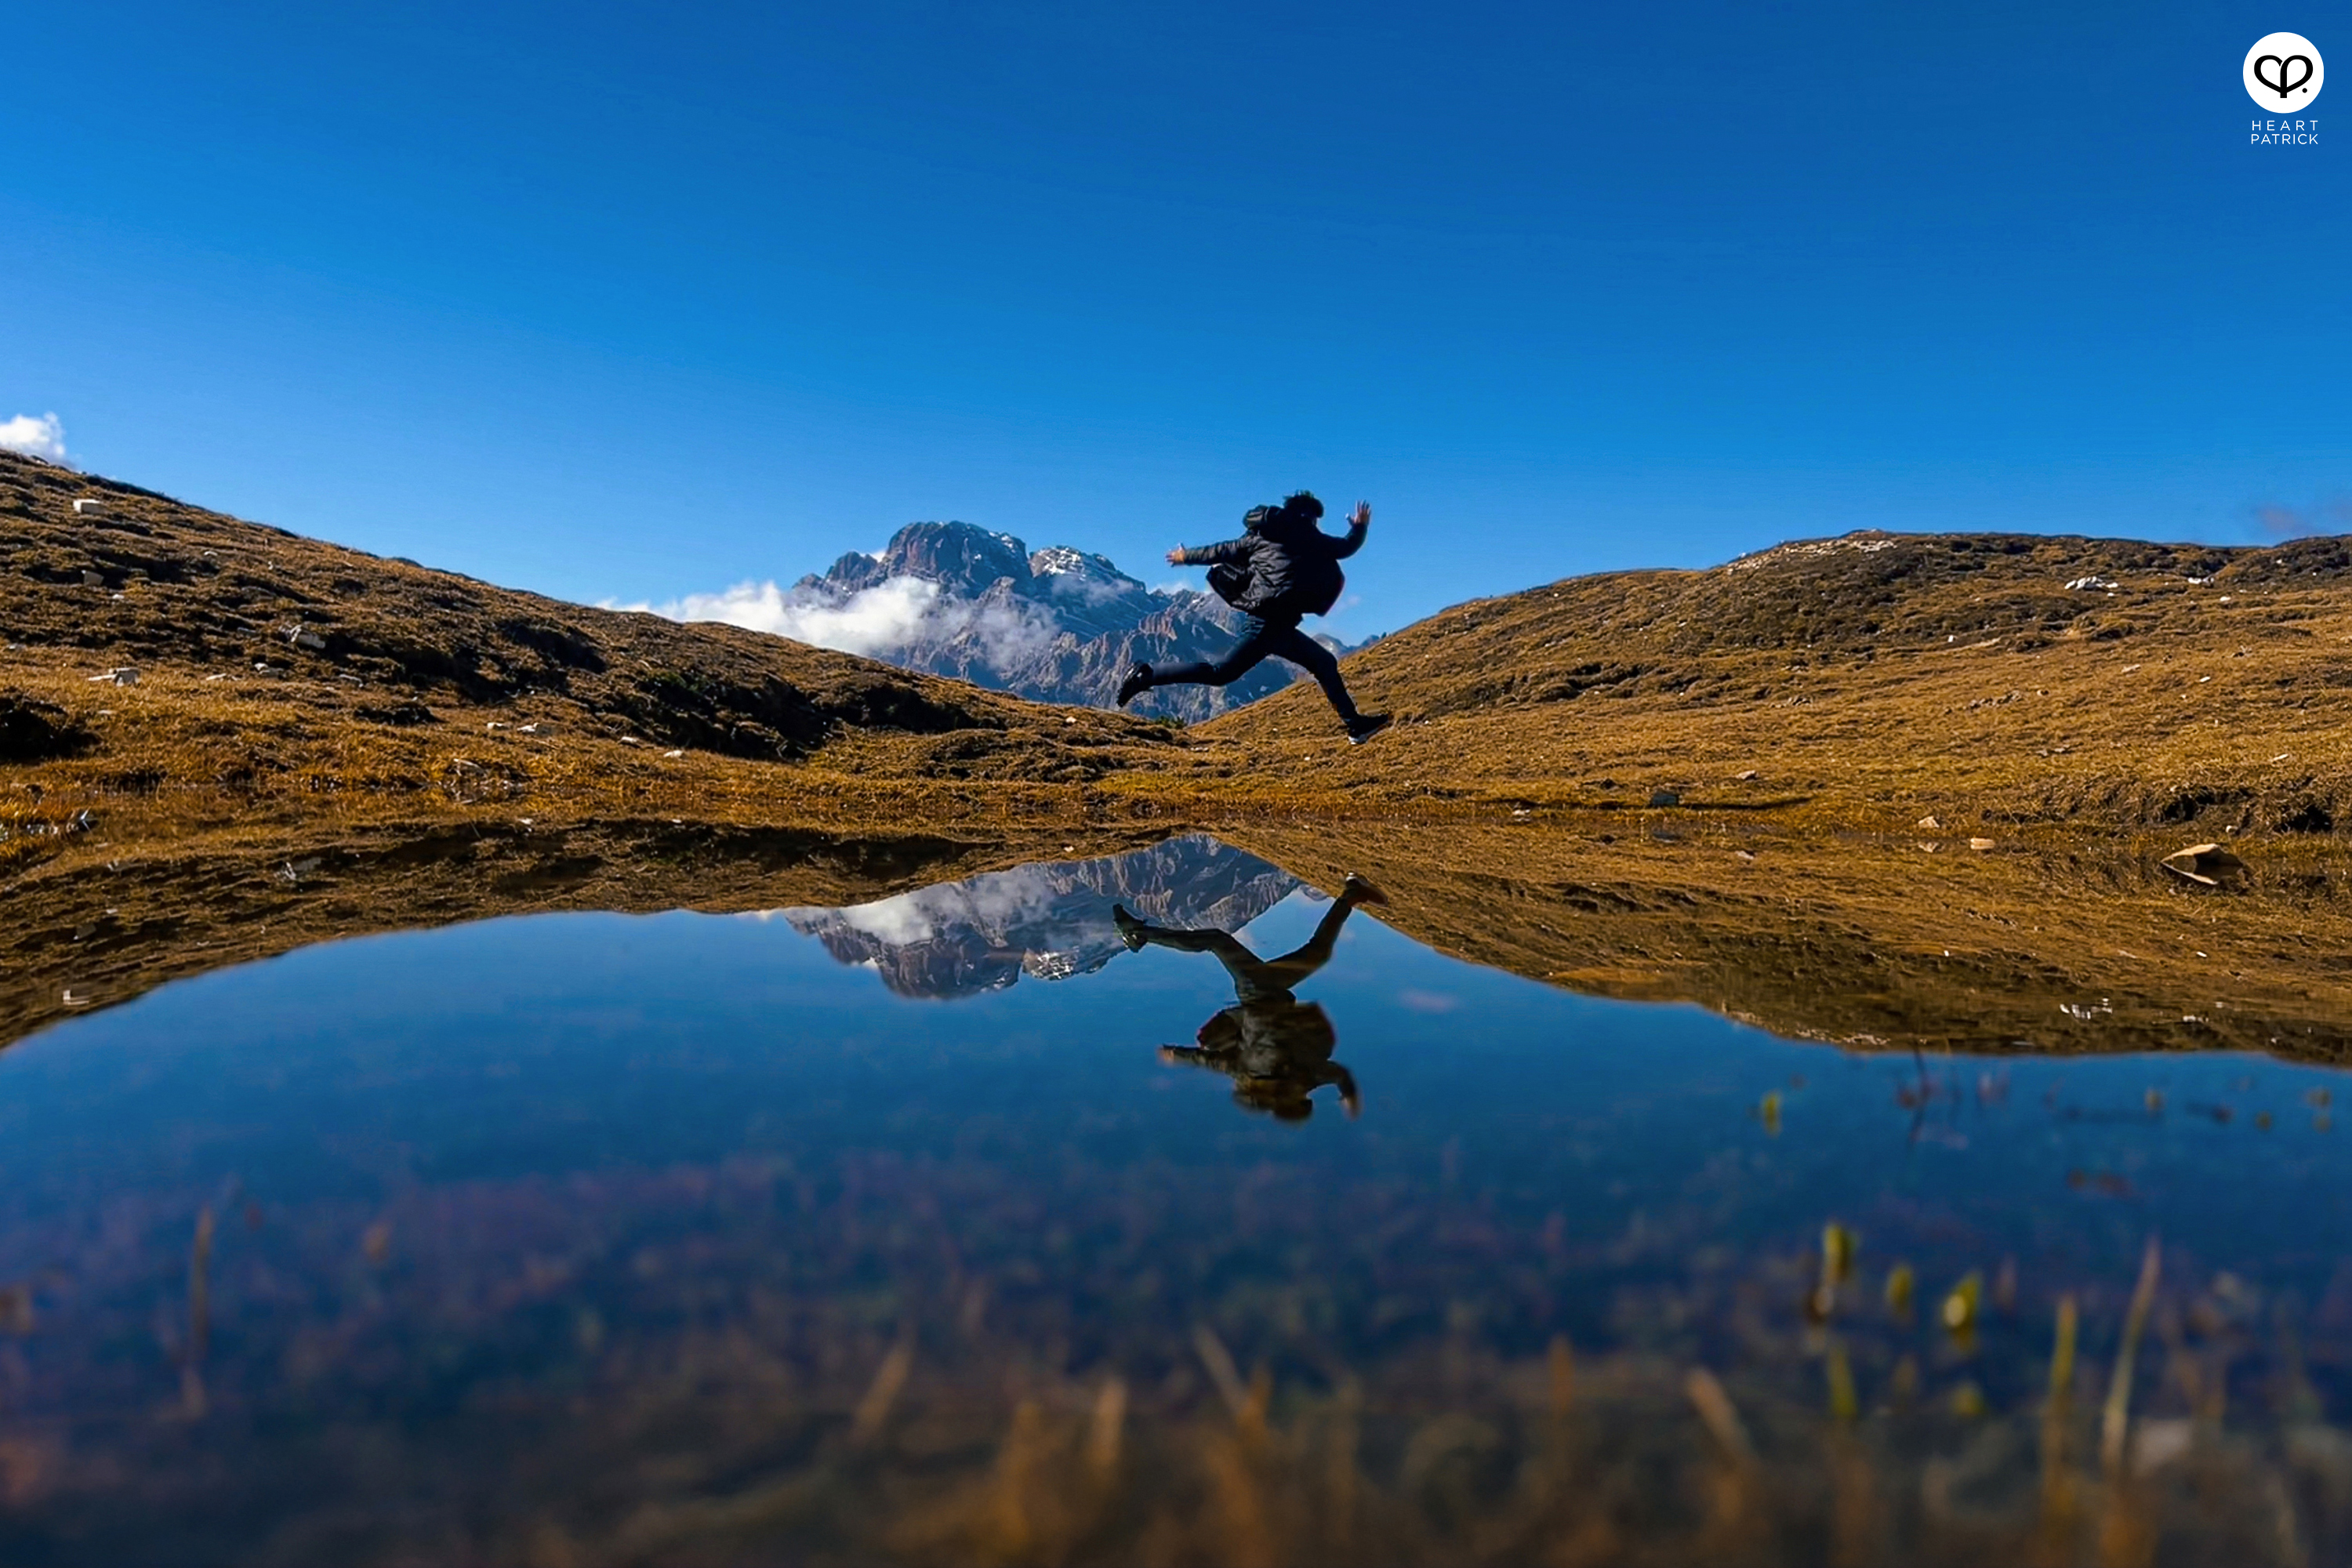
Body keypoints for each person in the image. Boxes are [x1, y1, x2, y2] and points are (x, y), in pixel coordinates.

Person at [1117, 492, 1391, 745]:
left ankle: (1355, 725)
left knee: (1323, 662)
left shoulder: (1259, 537)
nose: (1317, 524)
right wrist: (1360, 526)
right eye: (1317, 519)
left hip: (1276, 623)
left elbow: (1221, 550)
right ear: (1309, 516)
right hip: (1269, 623)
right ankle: (1147, 675)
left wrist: (1185, 556)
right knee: (1221, 673)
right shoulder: (1308, 535)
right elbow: (1345, 548)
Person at [1110, 873, 1388, 1121]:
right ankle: (1353, 891)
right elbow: (1339, 1074)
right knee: (1317, 951)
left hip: (1257, 991)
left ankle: (1137, 933)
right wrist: (1349, 1096)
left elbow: (1210, 1061)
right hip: (1270, 991)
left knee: (1219, 940)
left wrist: (1178, 1055)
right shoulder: (1298, 1077)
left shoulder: (1262, 1076)